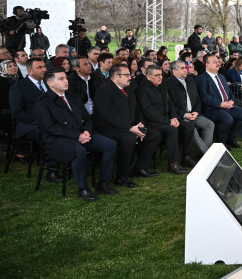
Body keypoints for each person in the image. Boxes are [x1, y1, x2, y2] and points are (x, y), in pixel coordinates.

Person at [35, 68, 118, 201]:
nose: (66, 81)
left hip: (82, 135)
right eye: (61, 79)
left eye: (66, 78)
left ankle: (103, 182)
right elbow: (50, 128)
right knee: (79, 151)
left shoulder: (74, 97)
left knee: (110, 144)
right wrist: (77, 136)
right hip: (57, 139)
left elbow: (87, 118)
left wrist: (86, 132)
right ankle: (83, 189)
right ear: (50, 83)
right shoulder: (42, 102)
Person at [93, 63, 161, 187]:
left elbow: (137, 109)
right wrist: (131, 128)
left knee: (154, 134)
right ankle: (121, 177)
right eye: (126, 75)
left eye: (129, 74)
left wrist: (139, 125)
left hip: (129, 126)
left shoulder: (129, 89)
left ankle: (139, 168)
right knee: (129, 139)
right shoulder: (104, 91)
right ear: (116, 77)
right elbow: (109, 115)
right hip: (108, 128)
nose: (130, 77)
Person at [9, 58, 59, 178]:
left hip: (51, 121)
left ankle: (72, 161)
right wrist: (42, 119)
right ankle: (51, 170)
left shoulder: (49, 83)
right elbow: (17, 112)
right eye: (39, 67)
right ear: (29, 71)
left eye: (44, 67)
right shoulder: (18, 87)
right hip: (28, 126)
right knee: (50, 134)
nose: (44, 69)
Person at [135, 65, 189, 174]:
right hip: (151, 123)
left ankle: (187, 157)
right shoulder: (141, 89)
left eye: (161, 75)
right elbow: (148, 111)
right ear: (148, 76)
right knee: (172, 130)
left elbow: (170, 104)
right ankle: (173, 164)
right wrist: (168, 122)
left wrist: (174, 117)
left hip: (166, 119)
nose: (160, 77)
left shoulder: (162, 86)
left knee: (188, 125)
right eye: (157, 75)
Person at [164, 61, 215, 164]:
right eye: (182, 68)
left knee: (210, 124)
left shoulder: (190, 80)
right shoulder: (167, 84)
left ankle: (202, 154)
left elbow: (197, 99)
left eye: (185, 68)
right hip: (179, 116)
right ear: (174, 71)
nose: (185, 70)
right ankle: (208, 156)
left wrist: (196, 111)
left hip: (193, 113)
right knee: (192, 130)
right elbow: (170, 105)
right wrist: (183, 114)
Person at [196, 53, 242, 148]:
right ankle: (221, 144)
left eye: (218, 61)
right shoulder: (201, 79)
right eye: (214, 62)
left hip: (227, 106)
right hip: (213, 108)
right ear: (207, 65)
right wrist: (221, 104)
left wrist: (232, 101)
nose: (218, 63)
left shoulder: (221, 76)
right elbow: (204, 97)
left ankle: (231, 138)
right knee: (227, 120)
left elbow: (229, 92)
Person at [0, 60, 20, 138]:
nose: (13, 67)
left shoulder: (19, 79)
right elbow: (4, 100)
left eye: (15, 65)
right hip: (7, 113)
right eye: (10, 66)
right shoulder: (1, 81)